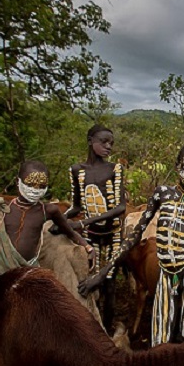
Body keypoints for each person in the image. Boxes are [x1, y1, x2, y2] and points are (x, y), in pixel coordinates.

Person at [79, 144, 184, 346]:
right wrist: (103, 273)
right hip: (165, 270)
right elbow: (135, 234)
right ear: (177, 165)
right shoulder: (162, 194)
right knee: (161, 333)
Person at [0, 160, 94, 290]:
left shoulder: (48, 210)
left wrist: (88, 247)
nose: (35, 190)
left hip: (28, 270)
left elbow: (69, 232)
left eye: (41, 186)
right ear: (17, 182)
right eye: (30, 184)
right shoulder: (1, 208)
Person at [63, 124, 127, 333]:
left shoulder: (114, 169)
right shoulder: (77, 170)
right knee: (89, 285)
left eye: (111, 143)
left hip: (113, 237)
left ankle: (108, 334)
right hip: (91, 238)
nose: (108, 147)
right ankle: (92, 331)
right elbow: (77, 207)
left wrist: (82, 223)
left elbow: (120, 207)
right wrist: (61, 220)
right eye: (104, 142)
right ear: (90, 141)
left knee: (109, 286)